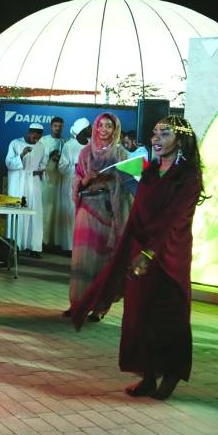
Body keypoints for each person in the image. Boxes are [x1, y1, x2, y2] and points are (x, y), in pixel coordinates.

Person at [72, 116, 206, 400]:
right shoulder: (149, 172)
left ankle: (171, 374)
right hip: (140, 254)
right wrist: (128, 247)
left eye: (165, 133)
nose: (156, 139)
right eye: (155, 133)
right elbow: (137, 214)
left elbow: (176, 220)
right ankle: (147, 375)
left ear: (180, 140)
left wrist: (150, 253)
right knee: (140, 315)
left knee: (170, 317)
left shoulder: (188, 176)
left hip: (169, 254)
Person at [64, 112, 132, 321]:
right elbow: (76, 179)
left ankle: (100, 307)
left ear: (115, 130)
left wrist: (108, 180)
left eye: (108, 126)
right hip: (88, 210)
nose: (103, 130)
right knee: (82, 260)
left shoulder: (120, 154)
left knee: (103, 259)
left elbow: (127, 184)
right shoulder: (85, 153)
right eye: (100, 125)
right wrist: (85, 180)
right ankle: (78, 304)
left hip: (109, 211)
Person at [5, 123, 46, 256]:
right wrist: (21, 155)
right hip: (18, 184)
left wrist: (40, 171)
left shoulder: (41, 146)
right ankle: (15, 244)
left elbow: (43, 163)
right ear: (29, 132)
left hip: (33, 184)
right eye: (35, 134)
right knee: (17, 213)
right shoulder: (15, 143)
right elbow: (9, 163)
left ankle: (33, 246)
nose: (37, 138)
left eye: (39, 135)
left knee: (34, 214)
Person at [56, 118, 90, 253]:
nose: (91, 130)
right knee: (71, 216)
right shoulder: (69, 146)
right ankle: (70, 247)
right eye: (89, 127)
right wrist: (77, 167)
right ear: (82, 130)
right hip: (71, 187)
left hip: (87, 187)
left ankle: (83, 247)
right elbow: (62, 167)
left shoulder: (92, 145)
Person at [37, 117, 66, 250]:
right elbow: (38, 159)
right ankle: (43, 241)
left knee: (56, 211)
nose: (58, 128)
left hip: (60, 181)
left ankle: (54, 242)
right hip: (46, 181)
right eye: (55, 126)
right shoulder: (44, 141)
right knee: (46, 211)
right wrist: (50, 157)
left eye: (60, 126)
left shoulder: (65, 142)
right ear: (51, 126)